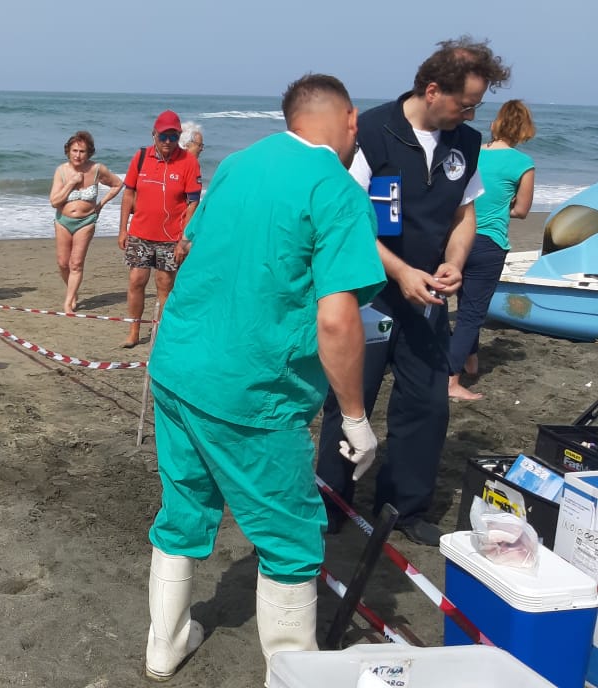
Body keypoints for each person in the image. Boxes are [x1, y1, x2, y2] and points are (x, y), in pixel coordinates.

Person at [143, 74, 384, 681]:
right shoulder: (338, 190)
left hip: (177, 367)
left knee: (183, 507)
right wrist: (355, 417)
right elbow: (337, 320)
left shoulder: (236, 165)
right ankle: (290, 667)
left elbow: (193, 250)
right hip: (253, 391)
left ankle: (163, 646)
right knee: (291, 535)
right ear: (349, 121)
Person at [317, 36, 511, 547]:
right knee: (348, 401)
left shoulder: (464, 144)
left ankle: (403, 508)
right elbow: (349, 221)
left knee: (426, 403)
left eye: (476, 104)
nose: (471, 112)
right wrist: (399, 271)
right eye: (464, 102)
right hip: (368, 293)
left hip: (428, 293)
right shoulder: (374, 133)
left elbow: (465, 214)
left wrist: (453, 261)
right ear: (431, 90)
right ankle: (331, 503)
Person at [448, 100, 536, 400]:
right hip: (489, 242)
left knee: (463, 304)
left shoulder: (473, 153)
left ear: (495, 124)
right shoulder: (523, 163)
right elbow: (523, 210)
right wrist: (504, 206)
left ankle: (470, 360)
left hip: (457, 237)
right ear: (524, 130)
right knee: (473, 312)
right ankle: (451, 381)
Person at [117, 110, 203, 347]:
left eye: (173, 137)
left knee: (165, 285)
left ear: (179, 136)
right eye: (163, 136)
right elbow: (128, 193)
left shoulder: (189, 162)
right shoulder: (141, 157)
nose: (167, 142)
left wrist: (184, 240)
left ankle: (161, 334)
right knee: (136, 280)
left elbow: (192, 203)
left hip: (171, 238)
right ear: (154, 134)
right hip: (140, 234)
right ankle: (134, 331)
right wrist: (123, 229)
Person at [49, 130, 123, 314]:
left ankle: (68, 302)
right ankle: (72, 291)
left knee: (76, 263)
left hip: (86, 222)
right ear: (68, 151)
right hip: (63, 221)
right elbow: (54, 202)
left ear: (88, 153)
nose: (78, 155)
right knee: (62, 263)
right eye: (74, 150)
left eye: (82, 151)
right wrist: (71, 183)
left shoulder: (97, 169)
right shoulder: (62, 171)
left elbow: (117, 184)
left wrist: (101, 205)